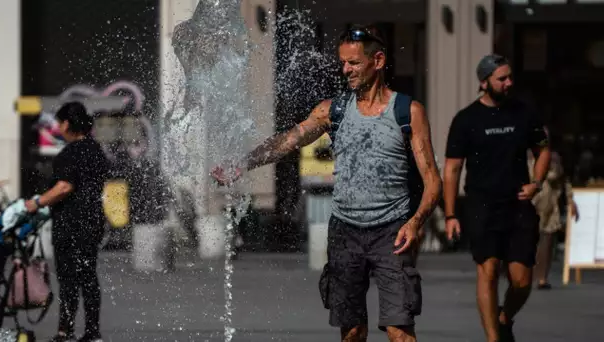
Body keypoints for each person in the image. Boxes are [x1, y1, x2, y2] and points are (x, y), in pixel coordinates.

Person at [212, 24, 442, 342]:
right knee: (352, 332)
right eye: (343, 62)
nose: (345, 70)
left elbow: (433, 180)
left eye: (354, 63)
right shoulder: (332, 111)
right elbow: (287, 141)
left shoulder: (407, 112)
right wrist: (243, 163)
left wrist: (416, 222)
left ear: (378, 61)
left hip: (393, 231)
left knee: (399, 331)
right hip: (345, 232)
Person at [443, 54, 551, 342]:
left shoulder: (525, 113)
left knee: (522, 281)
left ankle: (504, 317)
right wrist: (451, 214)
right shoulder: (466, 120)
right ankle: (493, 338)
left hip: (518, 204)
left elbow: (543, 151)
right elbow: (452, 170)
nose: (508, 83)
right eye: (501, 78)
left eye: (510, 77)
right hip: (481, 205)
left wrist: (536, 183)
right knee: (487, 271)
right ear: (484, 82)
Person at [25, 102, 110, 342]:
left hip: (71, 223)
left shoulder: (70, 153)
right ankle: (93, 332)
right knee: (88, 276)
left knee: (68, 279)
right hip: (92, 220)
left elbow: (64, 187)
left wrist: (37, 203)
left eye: (59, 122)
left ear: (66, 124)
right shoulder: (96, 150)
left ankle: (65, 331)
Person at [529, 145, 578, 289]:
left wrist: (570, 199)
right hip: (532, 203)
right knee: (530, 242)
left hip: (551, 206)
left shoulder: (554, 159)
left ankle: (542, 277)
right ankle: (528, 275)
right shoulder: (527, 156)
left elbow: (563, 180)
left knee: (547, 243)